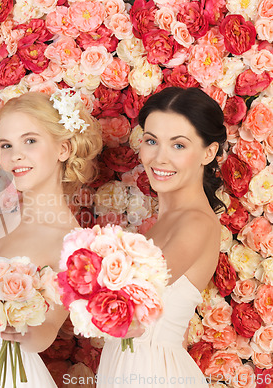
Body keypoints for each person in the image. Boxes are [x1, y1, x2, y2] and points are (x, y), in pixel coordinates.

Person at [0, 90, 103, 387]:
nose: (15, 155)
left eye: (30, 141)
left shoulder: (73, 243)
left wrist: (26, 333)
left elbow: (49, 327)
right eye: (6, 145)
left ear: (63, 148)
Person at [97, 87, 226, 388]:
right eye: (152, 141)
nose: (159, 158)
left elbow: (128, 299)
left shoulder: (195, 222)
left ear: (209, 152)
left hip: (153, 372)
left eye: (178, 146)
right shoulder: (165, 221)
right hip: (133, 367)